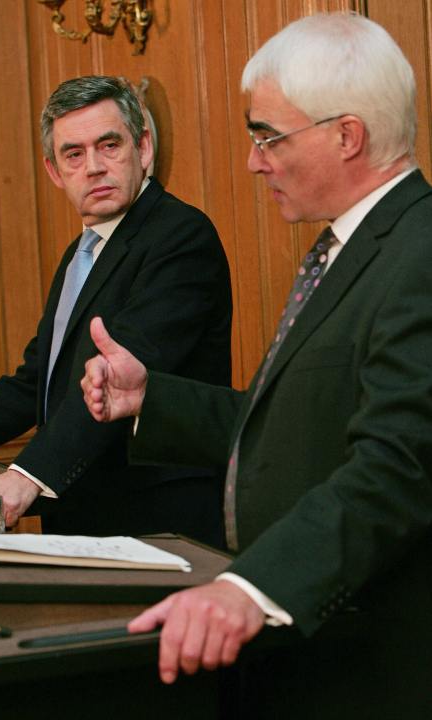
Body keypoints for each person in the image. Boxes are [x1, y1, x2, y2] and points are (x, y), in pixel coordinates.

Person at [81, 13, 432, 719]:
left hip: (374, 665)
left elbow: (400, 463)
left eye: (268, 136)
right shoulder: (354, 249)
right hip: (311, 653)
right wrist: (152, 399)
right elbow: (295, 424)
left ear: (347, 135)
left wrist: (251, 587)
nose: (253, 161)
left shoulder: (419, 252)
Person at [0, 76, 232, 547]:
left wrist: (27, 475)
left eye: (109, 145)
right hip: (85, 517)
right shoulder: (82, 252)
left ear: (143, 148)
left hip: (157, 524)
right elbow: (35, 382)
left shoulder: (180, 236)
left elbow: (114, 379)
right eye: (74, 154)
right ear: (54, 170)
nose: (94, 167)